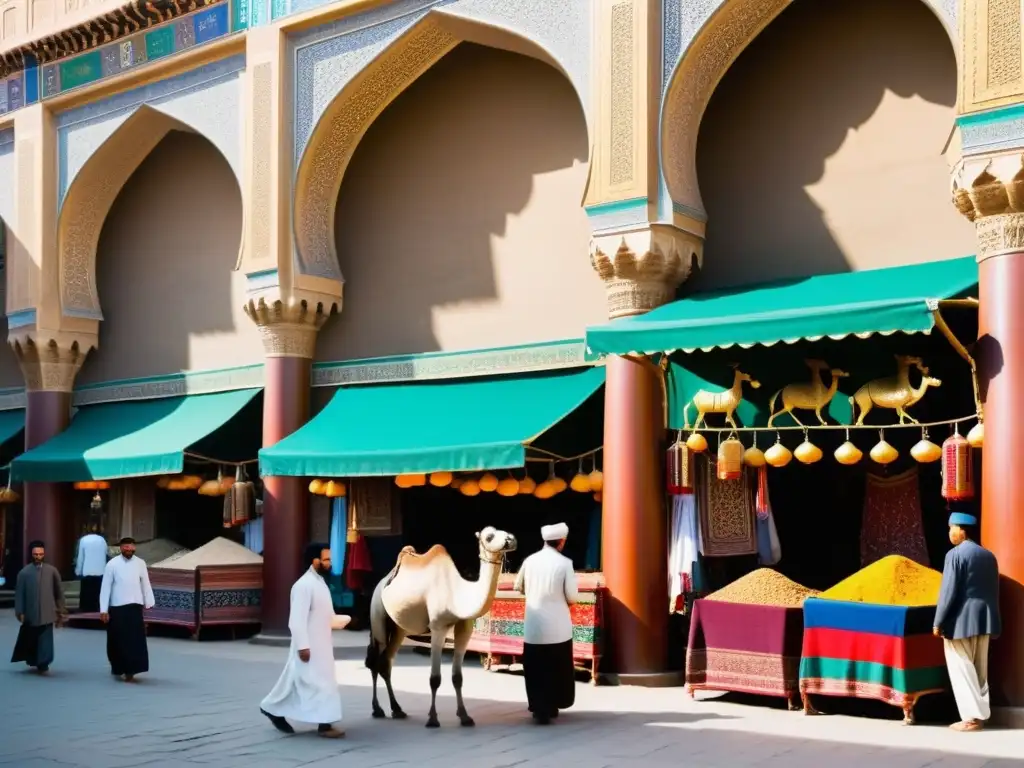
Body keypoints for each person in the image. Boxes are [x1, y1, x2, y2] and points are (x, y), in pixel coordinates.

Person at [261, 543, 351, 738]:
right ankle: (325, 726)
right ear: (314, 560)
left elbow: (325, 616)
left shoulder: (320, 584)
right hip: (309, 646)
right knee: (318, 684)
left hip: (322, 645)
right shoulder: (303, 585)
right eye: (326, 559)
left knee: (298, 682)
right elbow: (296, 621)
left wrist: (344, 620)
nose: (330, 563)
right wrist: (303, 647)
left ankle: (271, 707)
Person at [933, 511, 1002, 732]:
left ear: (961, 530)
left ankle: (970, 718)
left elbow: (948, 591)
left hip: (960, 620)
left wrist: (938, 621)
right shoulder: (989, 556)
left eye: (951, 528)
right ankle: (980, 716)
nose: (949, 532)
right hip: (984, 620)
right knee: (980, 669)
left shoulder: (955, 555)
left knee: (961, 666)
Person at [513, 522, 579, 725]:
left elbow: (518, 586)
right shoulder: (565, 563)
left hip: (533, 627)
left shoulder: (529, 561)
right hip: (558, 628)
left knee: (535, 668)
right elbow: (572, 596)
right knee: (556, 667)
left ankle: (538, 706)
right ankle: (552, 704)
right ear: (561, 542)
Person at [99, 536, 155, 682]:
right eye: (125, 547)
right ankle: (120, 667)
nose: (128, 549)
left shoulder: (140, 563)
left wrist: (149, 601)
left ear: (134, 548)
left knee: (135, 640)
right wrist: (103, 609)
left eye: (131, 547)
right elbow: (105, 588)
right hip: (118, 607)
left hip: (135, 605)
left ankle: (132, 669)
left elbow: (146, 583)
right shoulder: (112, 564)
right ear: (121, 548)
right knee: (119, 640)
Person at [11, 541, 66, 673]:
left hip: (48, 611)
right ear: (31, 554)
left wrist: (61, 609)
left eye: (40, 554)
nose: (38, 556)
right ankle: (34, 660)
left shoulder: (52, 571)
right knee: (32, 638)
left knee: (46, 639)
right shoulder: (24, 573)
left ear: (44, 554)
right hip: (31, 612)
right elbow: (19, 594)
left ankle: (44, 662)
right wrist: (20, 611)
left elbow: (59, 591)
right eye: (35, 554)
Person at [75, 524, 108, 614]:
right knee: (97, 595)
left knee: (87, 595)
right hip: (100, 571)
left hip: (87, 571)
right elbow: (106, 553)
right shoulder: (102, 540)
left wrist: (78, 570)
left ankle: (86, 612)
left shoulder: (83, 540)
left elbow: (80, 557)